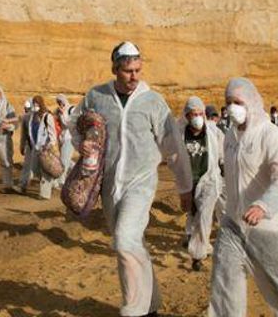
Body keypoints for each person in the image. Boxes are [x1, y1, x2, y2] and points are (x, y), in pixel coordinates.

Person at [76, 41, 191, 317]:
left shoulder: (153, 101)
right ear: (115, 69)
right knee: (128, 245)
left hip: (141, 183)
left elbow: (173, 146)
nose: (135, 76)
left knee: (125, 240)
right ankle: (150, 304)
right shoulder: (97, 96)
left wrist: (185, 186)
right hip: (109, 185)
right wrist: (80, 143)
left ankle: (134, 310)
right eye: (128, 71)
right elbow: (77, 125)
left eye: (138, 70)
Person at [207, 77, 278, 317]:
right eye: (228, 102)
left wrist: (263, 205)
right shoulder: (230, 138)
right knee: (224, 283)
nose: (232, 107)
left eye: (238, 102)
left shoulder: (270, 134)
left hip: (268, 227)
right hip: (233, 224)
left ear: (252, 103)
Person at [172, 97, 225, 271]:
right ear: (186, 116)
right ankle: (201, 244)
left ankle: (197, 254)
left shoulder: (214, 132)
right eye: (193, 114)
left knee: (204, 215)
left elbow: (223, 153)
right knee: (194, 215)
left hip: (209, 179)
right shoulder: (179, 134)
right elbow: (173, 161)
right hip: (189, 182)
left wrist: (225, 169)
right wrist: (182, 189)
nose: (197, 117)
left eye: (200, 113)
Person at [18, 96, 59, 199]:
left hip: (46, 148)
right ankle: (49, 181)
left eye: (37, 104)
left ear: (41, 104)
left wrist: (51, 145)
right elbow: (29, 132)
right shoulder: (31, 117)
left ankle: (44, 194)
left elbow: (52, 133)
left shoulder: (47, 116)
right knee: (35, 169)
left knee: (45, 170)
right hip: (35, 147)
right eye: (34, 104)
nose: (36, 106)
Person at [55, 94, 77, 188]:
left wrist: (63, 113)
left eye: (61, 101)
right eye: (58, 102)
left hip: (70, 138)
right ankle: (78, 172)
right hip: (61, 138)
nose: (60, 104)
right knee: (65, 160)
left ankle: (61, 182)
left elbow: (69, 124)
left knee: (64, 161)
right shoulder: (59, 111)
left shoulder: (71, 109)